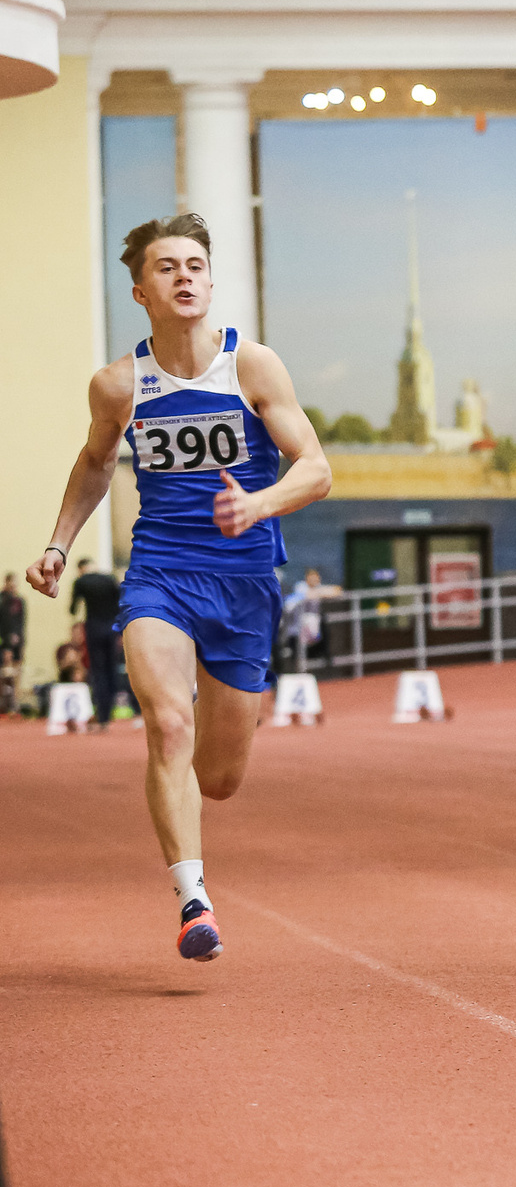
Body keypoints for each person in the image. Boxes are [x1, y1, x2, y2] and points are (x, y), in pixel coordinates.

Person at [25, 214, 331, 962]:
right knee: (166, 725)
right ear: (141, 290)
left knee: (218, 778)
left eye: (196, 264)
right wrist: (58, 544)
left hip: (245, 581)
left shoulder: (252, 366)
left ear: (211, 281)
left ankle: (182, 800)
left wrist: (258, 503)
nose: (185, 276)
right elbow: (95, 463)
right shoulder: (118, 384)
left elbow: (316, 468)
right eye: (168, 267)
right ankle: (194, 899)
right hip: (160, 572)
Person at [67, 556, 122, 729]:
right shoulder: (109, 579)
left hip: (94, 627)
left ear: (80, 568)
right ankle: (110, 710)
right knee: (111, 669)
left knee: (98, 672)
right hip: (112, 627)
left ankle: (102, 716)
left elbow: (73, 609)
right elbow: (120, 601)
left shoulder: (81, 582)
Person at [281, 566, 338, 675]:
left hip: (310, 628)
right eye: (311, 578)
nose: (314, 580)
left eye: (316, 578)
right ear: (306, 578)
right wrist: (320, 593)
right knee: (296, 649)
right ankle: (298, 670)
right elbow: (306, 595)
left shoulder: (318, 587)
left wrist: (321, 592)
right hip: (294, 626)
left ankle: (321, 660)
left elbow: (337, 590)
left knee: (323, 627)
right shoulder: (300, 586)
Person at [0, 570, 24, 714]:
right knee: (4, 674)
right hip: (4, 643)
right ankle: (3, 702)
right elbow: (4, 623)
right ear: (6, 582)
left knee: (16, 673)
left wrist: (21, 642)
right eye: (11, 582)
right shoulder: (2, 600)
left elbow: (21, 623)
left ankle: (15, 703)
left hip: (17, 643)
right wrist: (7, 645)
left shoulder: (19, 601)